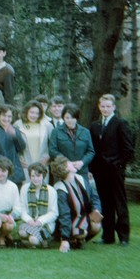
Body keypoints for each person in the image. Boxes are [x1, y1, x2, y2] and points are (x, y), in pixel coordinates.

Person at [89, 94, 134, 246]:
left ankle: (123, 237)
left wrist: (119, 164)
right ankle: (107, 237)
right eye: (103, 106)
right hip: (100, 172)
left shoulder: (120, 123)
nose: (105, 109)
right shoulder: (95, 125)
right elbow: (93, 149)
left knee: (119, 203)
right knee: (105, 203)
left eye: (108, 106)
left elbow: (128, 148)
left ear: (114, 107)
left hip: (115, 171)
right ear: (99, 107)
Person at [51, 156, 103, 252]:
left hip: (84, 217)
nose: (73, 163)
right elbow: (64, 214)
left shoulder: (81, 179)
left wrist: (96, 209)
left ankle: (78, 240)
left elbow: (94, 197)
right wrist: (64, 238)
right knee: (81, 232)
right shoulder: (60, 189)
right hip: (70, 221)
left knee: (97, 225)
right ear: (65, 169)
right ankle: (71, 238)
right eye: (70, 163)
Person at [18, 163, 58, 248]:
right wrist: (29, 220)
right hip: (30, 222)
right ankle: (36, 239)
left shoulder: (51, 191)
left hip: (45, 224)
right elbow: (22, 209)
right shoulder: (25, 188)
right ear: (30, 176)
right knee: (22, 232)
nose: (35, 179)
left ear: (43, 176)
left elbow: (54, 213)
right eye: (33, 176)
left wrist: (40, 221)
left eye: (38, 176)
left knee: (33, 240)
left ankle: (40, 241)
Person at [49, 104, 95, 179]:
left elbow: (91, 152)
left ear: (77, 118)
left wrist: (82, 162)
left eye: (73, 117)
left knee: (82, 190)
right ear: (63, 117)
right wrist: (66, 162)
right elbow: (52, 150)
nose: (70, 120)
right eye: (67, 117)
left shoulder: (85, 132)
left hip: (81, 170)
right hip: (63, 170)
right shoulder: (56, 131)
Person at [13, 100, 53, 181]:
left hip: (42, 164)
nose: (34, 115)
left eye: (37, 113)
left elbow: (54, 145)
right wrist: (18, 158)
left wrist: (48, 157)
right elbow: (12, 145)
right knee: (26, 190)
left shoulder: (47, 125)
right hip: (25, 165)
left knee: (42, 190)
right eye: (32, 112)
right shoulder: (17, 124)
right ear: (26, 112)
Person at [0, 105, 26, 185]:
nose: (6, 119)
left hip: (15, 170)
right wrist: (3, 160)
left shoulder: (14, 129)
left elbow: (21, 147)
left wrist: (15, 136)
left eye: (9, 116)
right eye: (4, 116)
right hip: (0, 169)